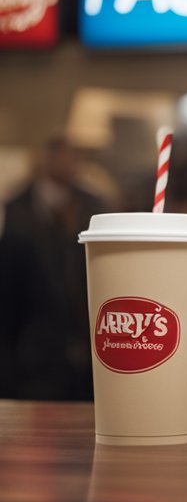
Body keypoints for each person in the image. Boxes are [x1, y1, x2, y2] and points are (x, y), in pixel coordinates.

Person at [0, 136, 108, 400]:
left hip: (84, 311)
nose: (68, 163)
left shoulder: (93, 204)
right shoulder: (17, 206)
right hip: (33, 328)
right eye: (61, 155)